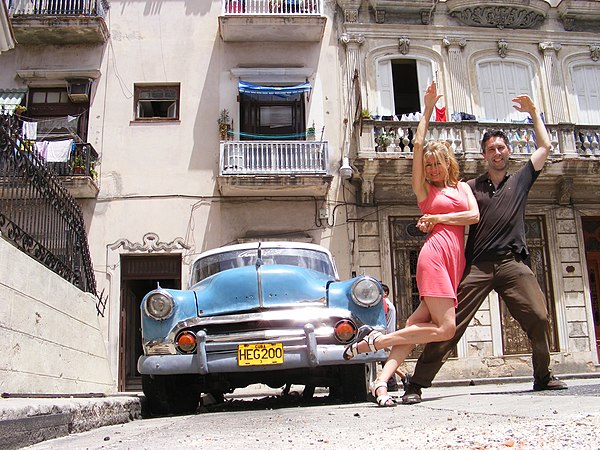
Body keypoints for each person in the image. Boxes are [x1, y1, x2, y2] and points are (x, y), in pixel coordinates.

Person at [401, 93, 568, 405]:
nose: (497, 152)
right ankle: (416, 384)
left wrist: (534, 113)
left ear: (508, 152)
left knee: (540, 316)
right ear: (484, 155)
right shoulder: (470, 187)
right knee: (451, 325)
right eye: (491, 149)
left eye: (501, 148)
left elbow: (545, 147)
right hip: (478, 265)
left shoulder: (521, 180)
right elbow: (451, 211)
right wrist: (431, 221)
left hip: (512, 264)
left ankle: (543, 375)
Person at [343, 81, 479, 407]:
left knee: (415, 326)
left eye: (437, 163)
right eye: (428, 165)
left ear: (448, 163)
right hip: (433, 258)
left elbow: (473, 216)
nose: (432, 168)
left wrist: (438, 219)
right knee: (446, 328)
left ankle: (380, 382)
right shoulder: (424, 192)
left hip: (452, 262)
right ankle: (374, 343)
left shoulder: (462, 189)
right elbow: (417, 144)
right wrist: (427, 108)